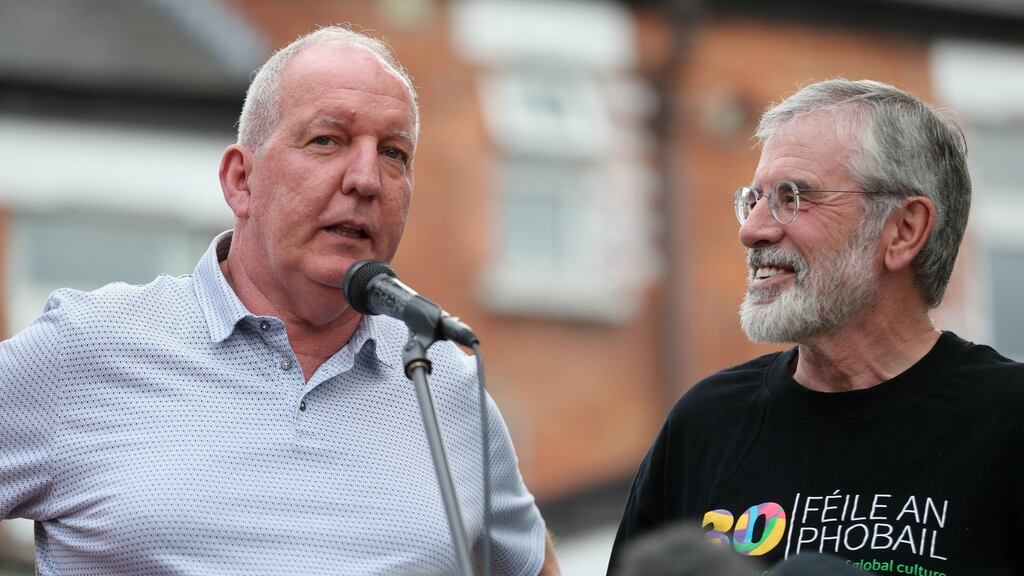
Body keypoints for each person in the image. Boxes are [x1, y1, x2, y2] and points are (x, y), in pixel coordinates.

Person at [0, 26, 559, 575]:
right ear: (241, 180)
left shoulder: (443, 385)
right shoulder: (90, 347)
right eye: (327, 140)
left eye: (394, 153)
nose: (367, 179)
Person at [608, 79, 1024, 576]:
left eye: (793, 198)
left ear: (904, 230)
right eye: (755, 199)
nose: (752, 229)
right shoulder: (706, 424)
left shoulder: (1008, 419)